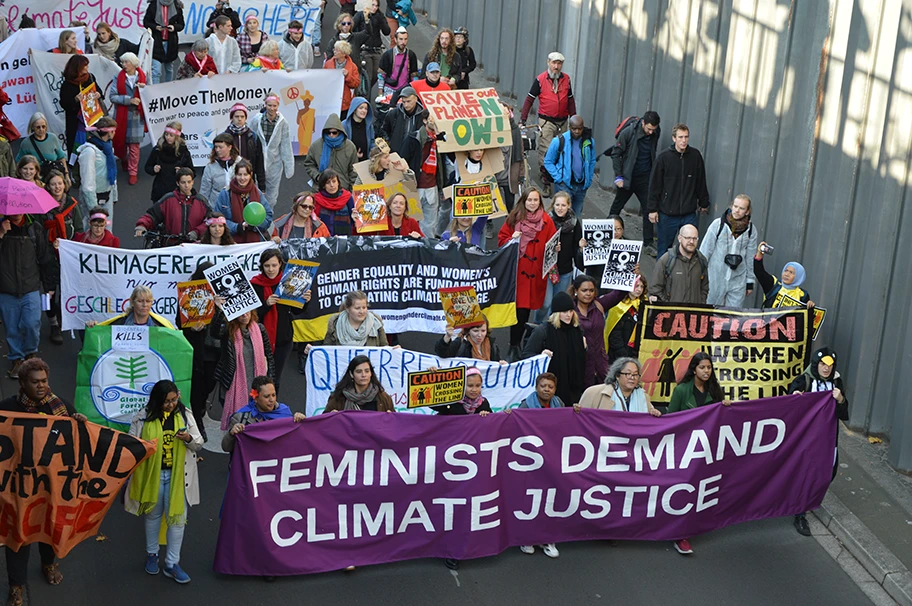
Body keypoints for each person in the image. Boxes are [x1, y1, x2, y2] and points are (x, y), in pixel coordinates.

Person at [1, 358, 87, 604]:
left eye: (44, 381)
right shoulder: (7, 410)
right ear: (23, 383)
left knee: (49, 526)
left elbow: (81, 438)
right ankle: (16, 585)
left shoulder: (60, 407)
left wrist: (79, 423)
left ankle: (48, 564)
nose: (41, 386)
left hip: (51, 485)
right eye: (35, 382)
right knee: (18, 533)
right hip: (19, 486)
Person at [125, 379, 203, 584]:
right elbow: (132, 444)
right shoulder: (142, 417)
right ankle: (152, 554)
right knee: (153, 516)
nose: (171, 404)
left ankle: (172, 563)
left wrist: (187, 438)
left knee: (177, 519)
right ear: (157, 400)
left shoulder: (185, 414)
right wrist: (144, 446)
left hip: (178, 477)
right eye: (167, 401)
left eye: (174, 400)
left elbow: (199, 443)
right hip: (154, 475)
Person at [788, 346, 849, 536]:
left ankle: (806, 499)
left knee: (829, 472)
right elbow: (789, 407)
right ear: (816, 364)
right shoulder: (804, 380)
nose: (826, 369)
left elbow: (844, 414)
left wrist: (840, 400)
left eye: (829, 365)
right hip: (807, 439)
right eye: (822, 364)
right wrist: (795, 397)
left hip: (828, 438)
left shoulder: (836, 382)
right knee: (805, 474)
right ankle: (800, 514)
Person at [497, 187, 557, 360]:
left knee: (534, 308)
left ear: (540, 202)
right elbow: (501, 241)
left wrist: (555, 247)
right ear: (523, 201)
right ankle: (514, 345)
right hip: (519, 274)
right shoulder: (514, 219)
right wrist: (512, 239)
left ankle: (527, 338)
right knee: (520, 311)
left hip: (537, 273)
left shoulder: (546, 220)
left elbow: (552, 241)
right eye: (529, 200)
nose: (532, 203)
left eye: (536, 200)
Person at [0, 215, 57, 378]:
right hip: (6, 289)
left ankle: (30, 354)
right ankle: (16, 359)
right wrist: (1, 234)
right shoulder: (2, 228)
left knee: (32, 324)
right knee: (11, 328)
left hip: (30, 287)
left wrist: (49, 286)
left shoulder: (35, 229)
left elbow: (45, 258)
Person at [520, 52, 576, 198]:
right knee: (546, 150)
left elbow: (570, 100)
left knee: (562, 151)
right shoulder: (540, 80)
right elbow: (529, 100)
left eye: (559, 64)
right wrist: (523, 120)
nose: (556, 66)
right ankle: (546, 182)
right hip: (547, 121)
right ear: (548, 63)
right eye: (554, 63)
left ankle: (559, 180)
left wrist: (574, 119)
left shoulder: (567, 79)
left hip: (563, 121)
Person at [251, 249, 309, 391]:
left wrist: (305, 300)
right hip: (259, 340)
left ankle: (272, 409)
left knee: (275, 380)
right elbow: (249, 316)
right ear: (262, 266)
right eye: (267, 266)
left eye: (274, 265)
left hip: (283, 339)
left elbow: (296, 311)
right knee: (258, 380)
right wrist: (266, 304)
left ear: (280, 265)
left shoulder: (288, 282)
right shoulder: (254, 285)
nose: (270, 270)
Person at [647, 123, 710, 254]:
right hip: (667, 214)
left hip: (689, 213)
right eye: (680, 137)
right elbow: (655, 185)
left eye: (686, 137)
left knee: (689, 249)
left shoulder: (695, 156)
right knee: (664, 250)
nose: (684, 140)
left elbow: (701, 181)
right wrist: (652, 209)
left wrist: (704, 202)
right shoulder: (663, 158)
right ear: (674, 138)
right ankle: (662, 274)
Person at [176, 262, 221, 440]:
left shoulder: (221, 293)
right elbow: (179, 322)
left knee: (210, 384)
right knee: (197, 387)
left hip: (216, 349)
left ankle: (201, 406)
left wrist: (217, 307)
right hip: (198, 349)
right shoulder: (187, 294)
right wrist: (192, 329)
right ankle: (197, 421)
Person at [609, 111, 660, 256]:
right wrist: (618, 176)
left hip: (645, 178)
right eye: (649, 129)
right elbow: (616, 153)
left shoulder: (655, 133)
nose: (651, 132)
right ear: (643, 123)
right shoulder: (629, 132)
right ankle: (607, 233)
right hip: (628, 177)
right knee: (617, 205)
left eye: (653, 129)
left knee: (648, 209)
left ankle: (648, 243)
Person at [522, 291, 586, 405]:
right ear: (556, 313)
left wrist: (584, 348)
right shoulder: (543, 331)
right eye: (564, 311)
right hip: (550, 388)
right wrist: (541, 355)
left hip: (573, 387)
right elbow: (526, 355)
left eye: (571, 311)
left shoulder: (576, 331)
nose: (568, 315)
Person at [214, 309, 275, 429]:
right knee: (237, 423)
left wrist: (271, 382)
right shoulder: (228, 331)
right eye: (240, 312)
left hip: (257, 384)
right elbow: (215, 332)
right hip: (233, 384)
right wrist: (220, 311)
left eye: (247, 311)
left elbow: (269, 356)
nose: (244, 314)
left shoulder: (260, 329)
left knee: (257, 421)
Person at [699, 194, 758, 306]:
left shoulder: (751, 230)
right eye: (735, 206)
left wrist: (749, 281)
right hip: (715, 276)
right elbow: (705, 250)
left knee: (733, 316)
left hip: (738, 278)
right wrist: (700, 275)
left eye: (741, 208)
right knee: (711, 311)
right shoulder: (718, 224)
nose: (737, 210)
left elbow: (750, 257)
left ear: (747, 211)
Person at [222, 375, 306, 452]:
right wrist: (231, 434)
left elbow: (295, 441)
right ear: (255, 398)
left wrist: (300, 423)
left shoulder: (285, 413)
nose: (272, 400)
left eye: (273, 395)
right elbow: (226, 448)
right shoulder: (240, 417)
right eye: (266, 396)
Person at [568, 274, 625, 387]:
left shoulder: (599, 304)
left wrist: (631, 274)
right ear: (576, 291)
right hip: (578, 362)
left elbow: (619, 293)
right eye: (584, 290)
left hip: (600, 362)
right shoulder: (568, 310)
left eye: (591, 290)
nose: (588, 294)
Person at [535, 191, 582, 323]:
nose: (560, 208)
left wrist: (581, 248)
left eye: (563, 205)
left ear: (569, 206)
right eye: (557, 205)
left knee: (557, 307)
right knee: (546, 303)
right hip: (548, 269)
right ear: (553, 205)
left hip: (565, 270)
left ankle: (551, 331)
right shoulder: (545, 221)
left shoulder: (574, 222)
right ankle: (536, 325)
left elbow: (576, 247)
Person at [135, 167, 209, 243]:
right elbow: (152, 215)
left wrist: (197, 232)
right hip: (171, 245)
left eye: (189, 182)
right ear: (177, 183)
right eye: (183, 182)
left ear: (193, 182)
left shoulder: (201, 201)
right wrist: (142, 225)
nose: (186, 185)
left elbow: (210, 220)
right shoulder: (168, 199)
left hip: (194, 246)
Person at [544, 115, 596, 217]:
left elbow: (592, 161)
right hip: (564, 185)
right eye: (574, 129)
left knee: (576, 216)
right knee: (561, 215)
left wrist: (589, 179)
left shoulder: (589, 141)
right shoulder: (559, 141)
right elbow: (548, 161)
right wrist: (559, 178)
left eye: (579, 129)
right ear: (569, 127)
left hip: (581, 185)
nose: (577, 131)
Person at [107, 52, 146, 185]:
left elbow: (151, 93)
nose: (123, 65)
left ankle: (133, 172)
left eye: (126, 62)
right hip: (121, 114)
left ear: (134, 64)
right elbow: (112, 96)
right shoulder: (118, 77)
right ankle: (124, 159)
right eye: (122, 62)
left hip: (136, 116)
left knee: (134, 146)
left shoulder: (143, 77)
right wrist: (129, 100)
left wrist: (144, 90)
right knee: (121, 142)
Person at [250, 92, 294, 208]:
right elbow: (250, 138)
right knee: (256, 190)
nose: (272, 108)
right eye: (269, 105)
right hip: (258, 161)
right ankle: (255, 214)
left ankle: (268, 216)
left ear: (278, 106)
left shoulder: (283, 123)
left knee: (272, 194)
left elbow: (285, 144)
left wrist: (288, 166)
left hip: (275, 163)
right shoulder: (257, 120)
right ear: (265, 105)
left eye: (274, 106)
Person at [213, 159, 273, 243]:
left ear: (251, 175)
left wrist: (253, 225)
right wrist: (238, 227)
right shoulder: (225, 193)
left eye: (245, 174)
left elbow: (268, 216)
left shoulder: (257, 193)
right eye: (239, 174)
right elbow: (217, 218)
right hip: (232, 242)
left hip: (255, 243)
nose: (242, 178)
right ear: (235, 175)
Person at [578, 357, 662, 417]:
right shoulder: (594, 393)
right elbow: (581, 419)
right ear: (617, 376)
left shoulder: (642, 396)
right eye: (627, 374)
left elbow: (649, 420)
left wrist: (654, 414)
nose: (632, 378)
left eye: (635, 374)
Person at [649, 224, 709, 304]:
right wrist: (668, 306)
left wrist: (700, 304)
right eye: (688, 238)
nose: (691, 242)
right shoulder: (666, 260)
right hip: (671, 314)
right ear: (679, 238)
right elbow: (655, 290)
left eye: (695, 238)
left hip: (693, 314)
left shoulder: (702, 260)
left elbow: (704, 288)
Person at [77, 117, 119, 222]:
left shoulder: (108, 148)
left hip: (107, 194)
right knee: (91, 229)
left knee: (107, 229)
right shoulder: (89, 152)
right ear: (109, 132)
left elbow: (112, 173)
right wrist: (93, 208)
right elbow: (87, 182)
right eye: (114, 131)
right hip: (93, 198)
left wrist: (114, 195)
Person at [60, 55, 102, 157]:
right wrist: (75, 100)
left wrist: (98, 94)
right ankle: (75, 169)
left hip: (92, 118)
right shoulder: (67, 84)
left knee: (94, 146)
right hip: (75, 121)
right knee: (75, 148)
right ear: (77, 67)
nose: (87, 68)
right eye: (85, 66)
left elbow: (99, 91)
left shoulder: (90, 77)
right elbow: (63, 103)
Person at [303, 114, 359, 190]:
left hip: (342, 189)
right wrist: (317, 176)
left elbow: (353, 171)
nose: (331, 135)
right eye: (328, 132)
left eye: (334, 132)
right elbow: (309, 164)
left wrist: (353, 189)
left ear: (340, 131)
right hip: (320, 189)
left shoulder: (350, 147)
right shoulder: (316, 145)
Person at [324, 355, 395, 412]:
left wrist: (390, 418)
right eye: (359, 371)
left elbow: (394, 424)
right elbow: (323, 423)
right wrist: (331, 417)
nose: (363, 375)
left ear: (371, 373)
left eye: (367, 371)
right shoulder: (338, 397)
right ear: (351, 374)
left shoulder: (383, 397)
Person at [754, 242, 815, 309]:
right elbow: (759, 271)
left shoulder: (803, 295)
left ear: (798, 277)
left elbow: (805, 316)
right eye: (786, 270)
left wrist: (810, 306)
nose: (786, 274)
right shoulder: (774, 284)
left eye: (791, 272)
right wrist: (760, 253)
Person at [145, 121, 194, 203]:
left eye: (171, 135)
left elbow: (192, 172)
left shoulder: (183, 152)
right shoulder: (158, 150)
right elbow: (147, 167)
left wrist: (183, 171)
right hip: (160, 190)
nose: (168, 137)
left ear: (177, 137)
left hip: (178, 191)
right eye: (166, 134)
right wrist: (154, 169)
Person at [322, 290, 389, 347]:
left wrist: (395, 350)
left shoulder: (376, 324)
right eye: (357, 308)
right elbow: (325, 350)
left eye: (364, 307)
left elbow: (385, 349)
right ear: (348, 309)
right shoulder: (335, 324)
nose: (361, 311)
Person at [605, 275, 647, 364]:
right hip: (619, 354)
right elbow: (614, 333)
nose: (639, 289)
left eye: (641, 286)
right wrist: (622, 353)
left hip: (636, 352)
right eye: (636, 286)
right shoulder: (618, 306)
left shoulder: (644, 304)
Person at [17, 113, 68, 182]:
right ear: (32, 127)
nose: (41, 129)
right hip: (36, 179)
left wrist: (66, 175)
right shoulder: (26, 143)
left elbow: (61, 157)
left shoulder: (53, 138)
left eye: (43, 126)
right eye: (38, 127)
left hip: (53, 179)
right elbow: (19, 162)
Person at [143, 0, 184, 84]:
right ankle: (156, 92)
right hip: (156, 42)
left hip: (171, 43)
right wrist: (155, 27)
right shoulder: (153, 5)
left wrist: (174, 27)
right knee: (156, 71)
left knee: (169, 68)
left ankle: (167, 89)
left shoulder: (177, 6)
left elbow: (181, 25)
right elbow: (146, 22)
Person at [93, 286, 174, 327]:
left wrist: (175, 335)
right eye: (140, 301)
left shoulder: (161, 326)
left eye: (148, 301)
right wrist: (92, 326)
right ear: (132, 302)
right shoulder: (119, 323)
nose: (144, 305)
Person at [352, 0, 389, 89]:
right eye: (373, 5)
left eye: (376, 6)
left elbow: (387, 31)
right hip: (365, 48)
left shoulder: (379, 16)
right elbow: (351, 27)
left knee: (376, 75)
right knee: (369, 74)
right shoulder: (360, 15)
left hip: (376, 48)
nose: (374, 8)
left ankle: (366, 90)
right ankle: (365, 93)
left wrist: (382, 21)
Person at [435, 314, 504, 362]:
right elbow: (442, 353)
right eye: (475, 331)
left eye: (483, 331)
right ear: (468, 331)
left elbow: (496, 363)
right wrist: (447, 336)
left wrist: (502, 365)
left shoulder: (492, 345)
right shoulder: (461, 343)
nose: (479, 335)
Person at [379, 86, 423, 159]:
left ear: (416, 99)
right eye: (403, 101)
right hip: (396, 153)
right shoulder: (393, 114)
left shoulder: (422, 116)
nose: (406, 105)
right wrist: (389, 143)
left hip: (415, 155)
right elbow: (384, 130)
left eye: (408, 101)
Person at [377, 28, 419, 99]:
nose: (403, 42)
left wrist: (414, 91)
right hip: (390, 89)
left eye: (405, 39)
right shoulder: (387, 55)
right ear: (396, 40)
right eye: (401, 39)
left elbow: (414, 76)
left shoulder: (411, 55)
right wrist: (380, 93)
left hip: (405, 90)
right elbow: (381, 75)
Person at [311, 169, 355, 236]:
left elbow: (354, 220)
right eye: (328, 182)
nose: (332, 185)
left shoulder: (347, 197)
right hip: (323, 239)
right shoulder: (317, 199)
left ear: (338, 183)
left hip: (345, 239)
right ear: (323, 185)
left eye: (334, 181)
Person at [199, 133, 238, 205]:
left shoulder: (239, 163)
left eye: (220, 147)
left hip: (236, 204)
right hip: (216, 207)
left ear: (229, 147)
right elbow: (204, 191)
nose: (217, 150)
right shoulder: (210, 167)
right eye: (216, 147)